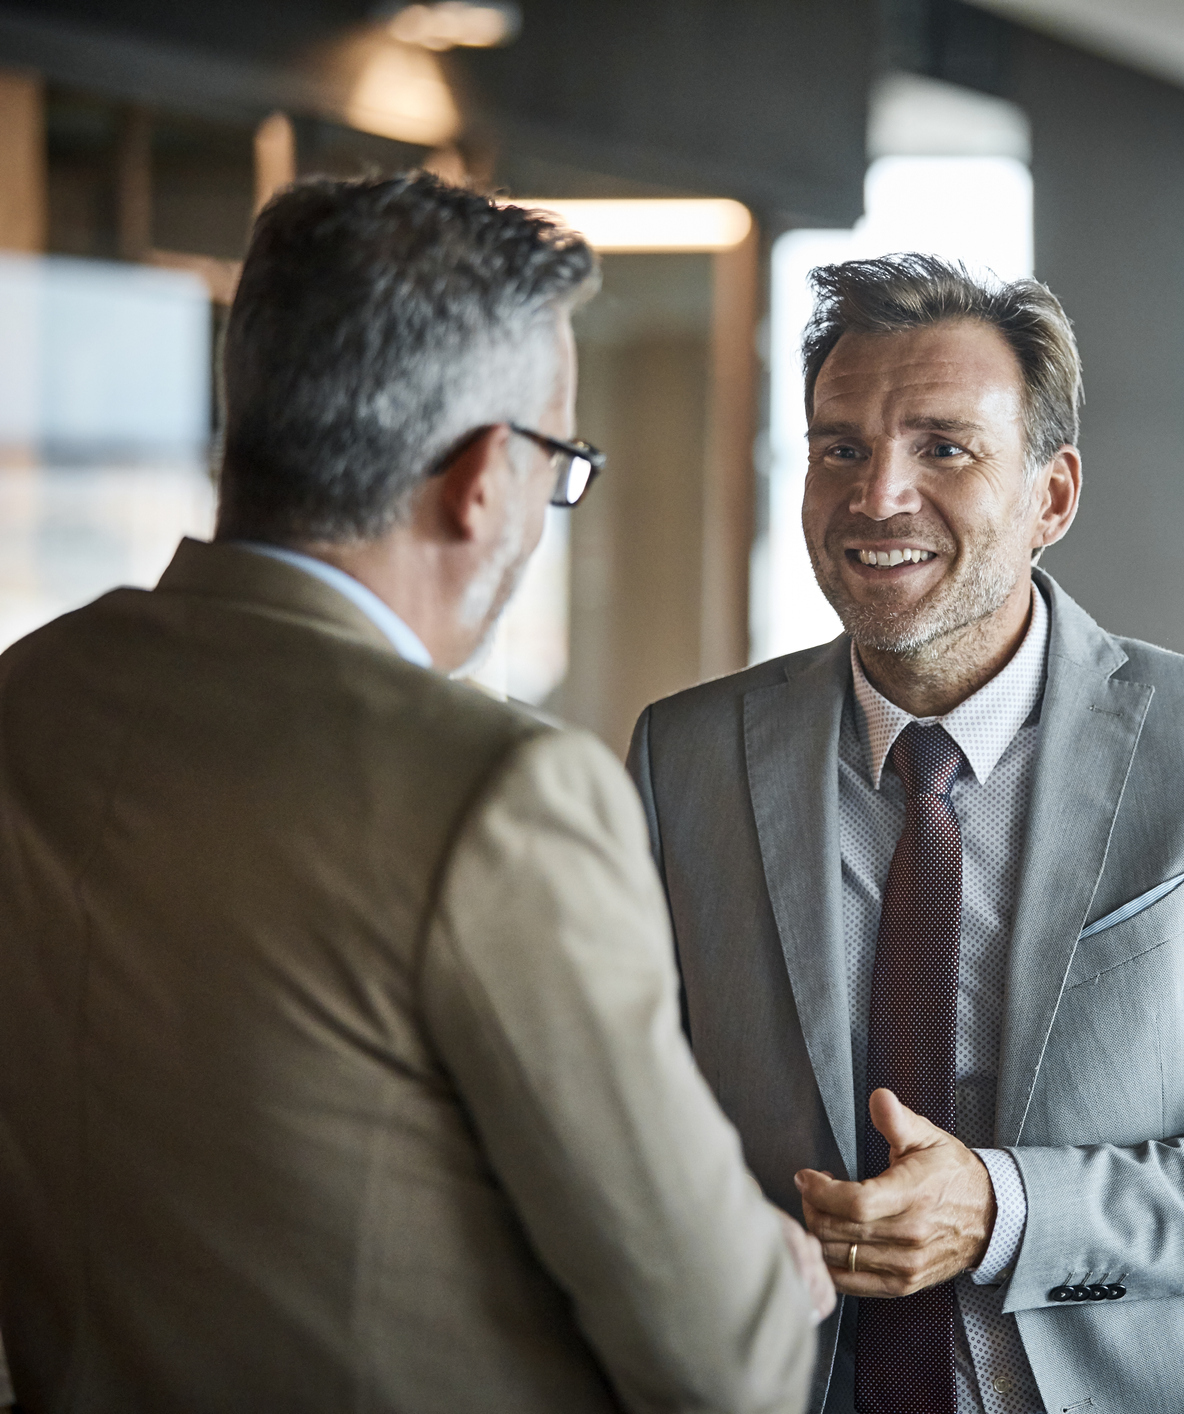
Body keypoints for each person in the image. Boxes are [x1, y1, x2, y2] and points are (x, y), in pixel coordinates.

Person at [0, 173, 830, 1414]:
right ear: (485, 477)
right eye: (562, 461)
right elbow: (730, 1361)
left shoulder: (31, 692)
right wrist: (776, 1269)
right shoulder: (501, 796)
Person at [626, 254, 1184, 1414]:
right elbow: (632, 1114)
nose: (878, 495)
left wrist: (1007, 1210)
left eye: (945, 448)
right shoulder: (685, 756)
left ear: (1052, 496)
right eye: (840, 448)